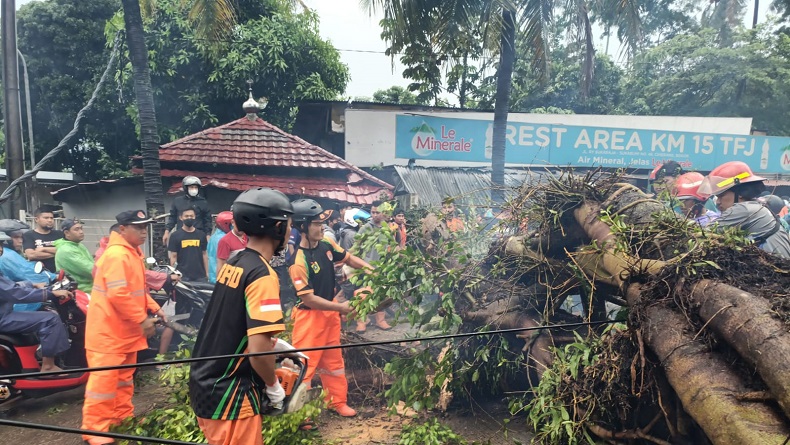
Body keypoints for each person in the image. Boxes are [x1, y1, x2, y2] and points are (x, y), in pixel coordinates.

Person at [189, 188, 293, 445]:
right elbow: (257, 352)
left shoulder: (236, 262)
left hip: (205, 383)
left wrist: (271, 342)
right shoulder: (263, 275)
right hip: (231, 394)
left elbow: (230, 321)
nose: (290, 231)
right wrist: (273, 386)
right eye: (289, 224)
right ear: (278, 227)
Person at [82, 210, 166, 445]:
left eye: (145, 227)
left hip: (124, 333)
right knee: (103, 384)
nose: (143, 232)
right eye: (138, 227)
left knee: (123, 381)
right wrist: (142, 320)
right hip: (108, 334)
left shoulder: (132, 253)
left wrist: (153, 307)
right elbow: (118, 294)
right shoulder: (117, 255)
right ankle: (96, 432)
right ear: (122, 229)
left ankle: (121, 420)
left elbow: (136, 290)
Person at [289, 199, 373, 418]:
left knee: (334, 363)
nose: (322, 228)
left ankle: (337, 402)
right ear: (303, 226)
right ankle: (300, 415)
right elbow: (308, 298)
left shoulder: (326, 244)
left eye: (322, 223)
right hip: (309, 318)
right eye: (317, 224)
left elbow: (348, 258)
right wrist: (341, 307)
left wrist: (371, 270)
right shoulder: (298, 261)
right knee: (304, 367)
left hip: (330, 313)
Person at [699, 161, 790, 258]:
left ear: (740, 193)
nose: (718, 202)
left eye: (721, 196)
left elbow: (703, 233)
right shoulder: (756, 207)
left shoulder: (744, 209)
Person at [0, 271, 72, 372]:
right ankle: (49, 367)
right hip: (3, 317)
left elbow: (8, 286)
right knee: (50, 320)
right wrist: (50, 294)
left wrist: (32, 285)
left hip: (4, 313)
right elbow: (16, 293)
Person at [352, 201, 392, 332]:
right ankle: (361, 321)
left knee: (381, 294)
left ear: (383, 213)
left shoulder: (387, 229)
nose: (374, 215)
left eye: (377, 212)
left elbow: (391, 247)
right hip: (366, 267)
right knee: (363, 294)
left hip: (382, 268)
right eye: (372, 212)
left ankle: (380, 320)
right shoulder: (365, 228)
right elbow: (356, 247)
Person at [163, 176, 212, 245]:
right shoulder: (178, 201)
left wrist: (208, 235)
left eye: (195, 187)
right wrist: (167, 232)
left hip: (198, 236)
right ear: (186, 188)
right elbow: (172, 218)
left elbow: (207, 220)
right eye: (191, 187)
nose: (194, 189)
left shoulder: (203, 202)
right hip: (181, 235)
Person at [53, 219, 94, 293]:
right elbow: (90, 270)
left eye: (81, 228)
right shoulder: (67, 250)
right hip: (80, 291)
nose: (81, 232)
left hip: (90, 287)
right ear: (67, 233)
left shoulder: (79, 245)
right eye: (76, 229)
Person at [167, 208, 208, 282]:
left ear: (195, 217)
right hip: (182, 276)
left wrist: (207, 273)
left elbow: (204, 254)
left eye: (191, 216)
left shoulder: (201, 235)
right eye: (186, 216)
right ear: (181, 218)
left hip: (200, 276)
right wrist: (175, 274)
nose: (189, 218)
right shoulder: (175, 236)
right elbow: (173, 256)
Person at [23, 208, 63, 273]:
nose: (50, 220)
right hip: (40, 273)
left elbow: (67, 250)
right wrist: (57, 253)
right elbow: (31, 255)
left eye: (51, 218)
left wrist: (43, 249)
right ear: (36, 219)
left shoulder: (59, 234)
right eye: (46, 218)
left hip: (60, 272)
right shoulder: (29, 235)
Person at [208, 211, 232, 283]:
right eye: (232, 224)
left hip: (213, 275)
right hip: (221, 276)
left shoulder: (214, 236)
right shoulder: (224, 239)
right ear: (226, 224)